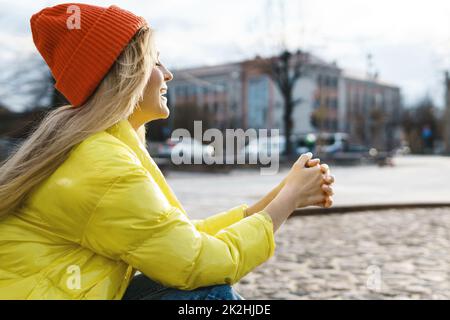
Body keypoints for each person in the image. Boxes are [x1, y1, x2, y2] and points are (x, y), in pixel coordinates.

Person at [0, 3, 334, 300]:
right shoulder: (102, 164)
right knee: (210, 296)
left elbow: (175, 236)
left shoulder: (96, 147)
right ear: (126, 75)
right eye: (156, 61)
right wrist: (287, 200)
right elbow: (195, 262)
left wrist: (282, 194)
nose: (169, 74)